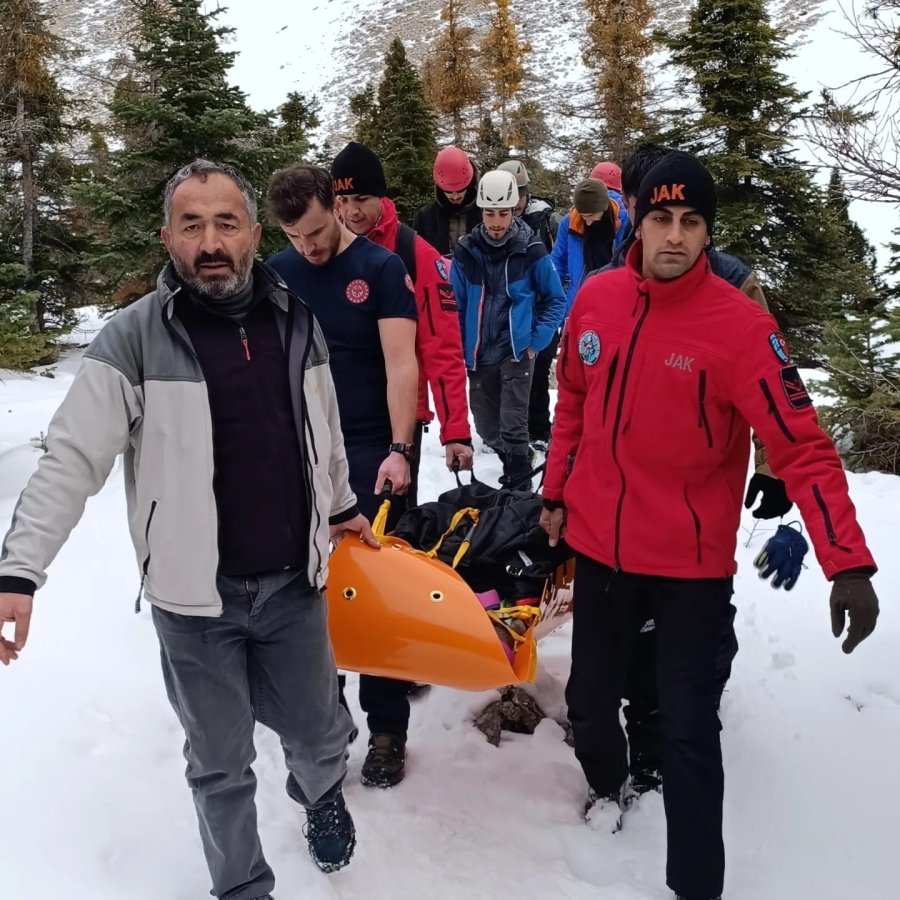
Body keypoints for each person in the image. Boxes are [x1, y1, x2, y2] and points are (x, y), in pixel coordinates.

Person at [0, 160, 376, 899]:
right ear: (168, 236)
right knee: (219, 760)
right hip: (192, 604)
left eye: (226, 223)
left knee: (318, 733)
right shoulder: (134, 339)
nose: (211, 241)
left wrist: (339, 507)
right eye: (193, 223)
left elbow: (324, 430)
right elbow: (73, 457)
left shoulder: (296, 321)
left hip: (293, 588)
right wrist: (20, 570)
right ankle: (242, 887)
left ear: (253, 234)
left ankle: (321, 790)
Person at [540, 151, 880, 900]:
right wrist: (556, 491)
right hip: (600, 549)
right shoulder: (595, 299)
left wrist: (846, 562)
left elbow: (805, 447)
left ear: (707, 231)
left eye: (692, 222)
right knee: (589, 704)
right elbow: (573, 404)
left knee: (692, 731)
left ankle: (696, 886)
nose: (674, 236)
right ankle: (611, 784)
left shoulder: (741, 327)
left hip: (691, 566)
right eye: (661, 218)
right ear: (636, 217)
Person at [596, 141, 792, 795]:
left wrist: (774, 469)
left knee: (695, 625)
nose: (656, 225)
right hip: (622, 503)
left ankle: (678, 717)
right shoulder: (617, 271)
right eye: (640, 206)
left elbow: (774, 384)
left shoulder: (734, 284)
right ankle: (638, 717)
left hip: (694, 498)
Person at [266, 163, 420, 791]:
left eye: (314, 231)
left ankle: (387, 729)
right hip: (300, 453)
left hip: (367, 450)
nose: (308, 246)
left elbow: (401, 364)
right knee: (309, 598)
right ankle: (324, 733)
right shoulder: (279, 272)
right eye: (294, 236)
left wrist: (400, 447)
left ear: (335, 203)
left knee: (377, 596)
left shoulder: (380, 270)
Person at [331, 140, 474, 497]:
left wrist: (455, 431)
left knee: (387, 533)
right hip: (335, 413)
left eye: (361, 199)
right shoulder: (323, 248)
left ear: (381, 196)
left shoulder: (414, 254)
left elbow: (442, 347)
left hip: (395, 423)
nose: (351, 212)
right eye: (343, 201)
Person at [451, 169, 566, 489]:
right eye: (490, 213)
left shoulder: (530, 248)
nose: (497, 221)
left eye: (503, 213)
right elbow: (456, 305)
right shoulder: (466, 251)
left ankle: (519, 489)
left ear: (513, 209)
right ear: (481, 211)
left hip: (517, 350)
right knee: (487, 428)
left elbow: (556, 300)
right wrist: (460, 344)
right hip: (479, 352)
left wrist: (536, 341)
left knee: (514, 425)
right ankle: (516, 459)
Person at [552, 178, 627, 314]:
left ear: (603, 208)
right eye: (583, 216)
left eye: (591, 215)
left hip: (614, 297)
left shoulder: (625, 222)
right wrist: (553, 297)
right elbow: (557, 261)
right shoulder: (569, 223)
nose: (587, 222)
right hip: (579, 297)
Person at [413, 146, 481, 256]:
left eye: (460, 190)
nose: (455, 196)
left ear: (469, 184)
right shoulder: (425, 216)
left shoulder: (485, 213)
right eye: (448, 191)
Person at [497, 158, 558, 253]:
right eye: (511, 199)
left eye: (520, 197)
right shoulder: (492, 222)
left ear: (526, 194)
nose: (515, 204)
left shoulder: (547, 219)